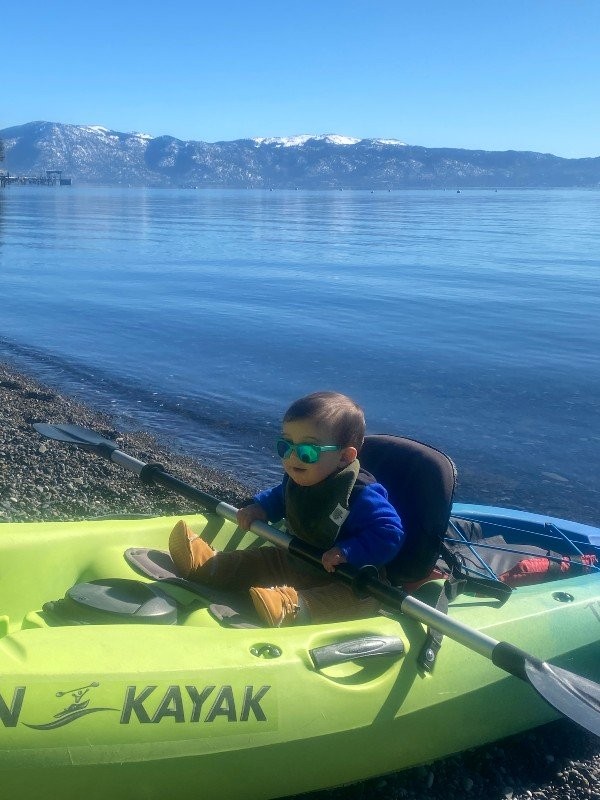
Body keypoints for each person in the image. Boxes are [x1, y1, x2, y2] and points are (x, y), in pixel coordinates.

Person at [169, 391, 405, 627]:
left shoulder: (359, 494)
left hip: (346, 577)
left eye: (307, 451)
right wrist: (260, 508)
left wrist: (348, 552)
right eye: (286, 445)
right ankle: (212, 566)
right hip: (295, 558)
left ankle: (293, 607)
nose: (293, 456)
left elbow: (389, 532)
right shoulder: (300, 478)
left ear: (344, 457)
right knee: (263, 560)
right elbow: (282, 496)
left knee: (348, 599)